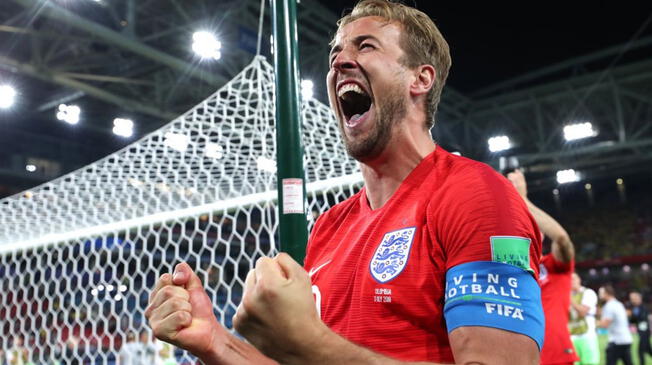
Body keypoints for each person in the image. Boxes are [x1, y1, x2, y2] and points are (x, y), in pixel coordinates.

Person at [145, 1, 546, 364]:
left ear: (420, 79)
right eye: (335, 52)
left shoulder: (476, 195)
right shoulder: (329, 227)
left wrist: (310, 343)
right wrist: (215, 342)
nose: (339, 62)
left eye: (365, 47)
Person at [508, 170, 579, 365]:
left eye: (534, 226)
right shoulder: (511, 271)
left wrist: (522, 199)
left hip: (555, 353)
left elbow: (562, 239)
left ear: (542, 234)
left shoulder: (554, 266)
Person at [569, 272, 600, 365]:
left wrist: (569, 299)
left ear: (579, 280)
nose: (571, 281)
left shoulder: (588, 293)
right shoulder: (568, 295)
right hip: (572, 337)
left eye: (573, 278)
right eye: (569, 279)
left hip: (587, 336)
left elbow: (582, 312)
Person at [598, 284, 633, 365]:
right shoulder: (618, 304)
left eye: (601, 293)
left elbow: (605, 325)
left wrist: (595, 323)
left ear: (607, 293)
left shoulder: (609, 306)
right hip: (626, 339)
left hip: (617, 341)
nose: (599, 295)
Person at [629, 291, 652, 364]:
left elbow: (647, 318)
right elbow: (633, 320)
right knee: (648, 350)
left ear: (639, 298)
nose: (632, 300)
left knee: (640, 351)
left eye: (633, 298)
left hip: (645, 332)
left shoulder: (644, 308)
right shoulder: (635, 308)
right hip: (641, 332)